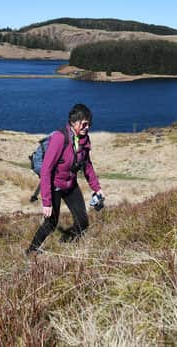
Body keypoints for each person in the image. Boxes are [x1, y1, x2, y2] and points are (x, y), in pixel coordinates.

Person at [27, 103, 104, 256]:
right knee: (51, 224)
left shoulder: (84, 140)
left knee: (83, 221)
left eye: (89, 124)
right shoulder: (59, 138)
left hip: (70, 185)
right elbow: (46, 170)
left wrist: (97, 188)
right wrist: (47, 202)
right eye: (84, 124)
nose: (87, 127)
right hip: (54, 186)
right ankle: (31, 251)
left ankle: (70, 247)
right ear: (74, 122)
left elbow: (87, 166)